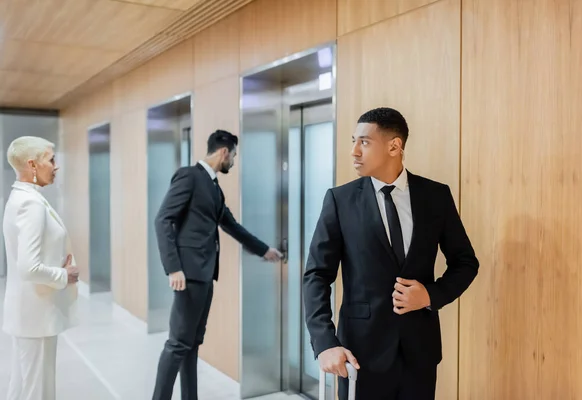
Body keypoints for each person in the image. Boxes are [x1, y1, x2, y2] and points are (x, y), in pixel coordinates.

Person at [303, 108, 479, 399]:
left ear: (394, 146)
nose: (354, 151)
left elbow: (466, 262)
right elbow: (317, 276)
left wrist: (431, 296)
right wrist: (324, 342)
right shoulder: (340, 200)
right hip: (358, 355)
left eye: (364, 142)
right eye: (353, 141)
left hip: (419, 354)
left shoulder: (435, 196)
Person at [152, 129, 282, 400]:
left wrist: (264, 250)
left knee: (191, 343)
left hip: (205, 274)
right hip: (188, 273)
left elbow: (231, 225)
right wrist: (173, 267)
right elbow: (163, 219)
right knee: (178, 343)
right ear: (224, 152)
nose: (233, 161)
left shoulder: (212, 187)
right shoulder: (189, 176)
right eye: (233, 155)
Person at [2, 136, 79, 400]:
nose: (56, 166)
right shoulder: (30, 204)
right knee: (37, 391)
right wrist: (64, 275)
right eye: (51, 159)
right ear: (32, 165)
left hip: (29, 313)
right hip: (36, 314)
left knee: (24, 386)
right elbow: (29, 266)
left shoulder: (24, 198)